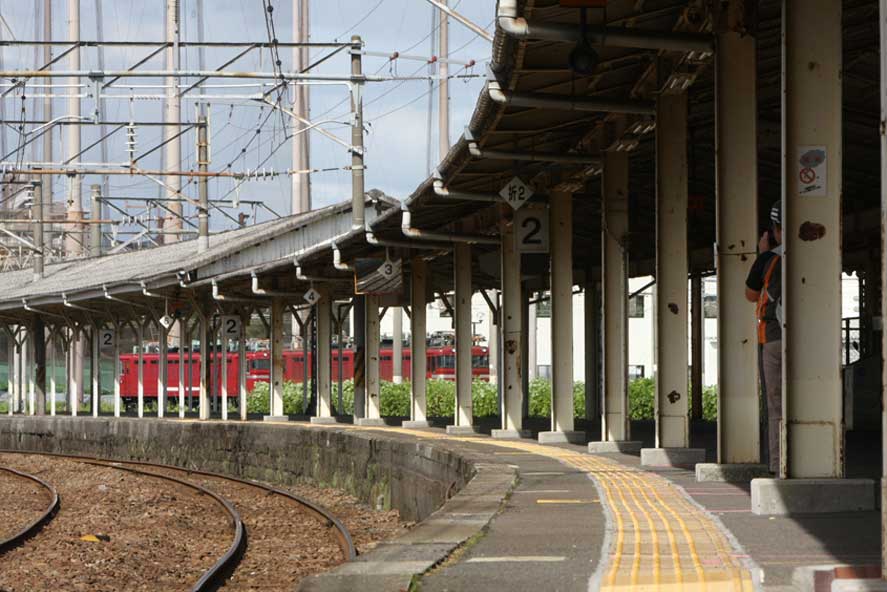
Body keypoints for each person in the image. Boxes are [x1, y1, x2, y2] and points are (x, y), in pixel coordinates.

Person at [745, 201, 783, 474]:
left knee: (776, 403)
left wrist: (763, 254)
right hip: (815, 341)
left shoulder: (769, 260)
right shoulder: (820, 252)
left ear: (774, 230)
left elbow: (750, 295)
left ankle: (778, 462)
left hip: (774, 337)